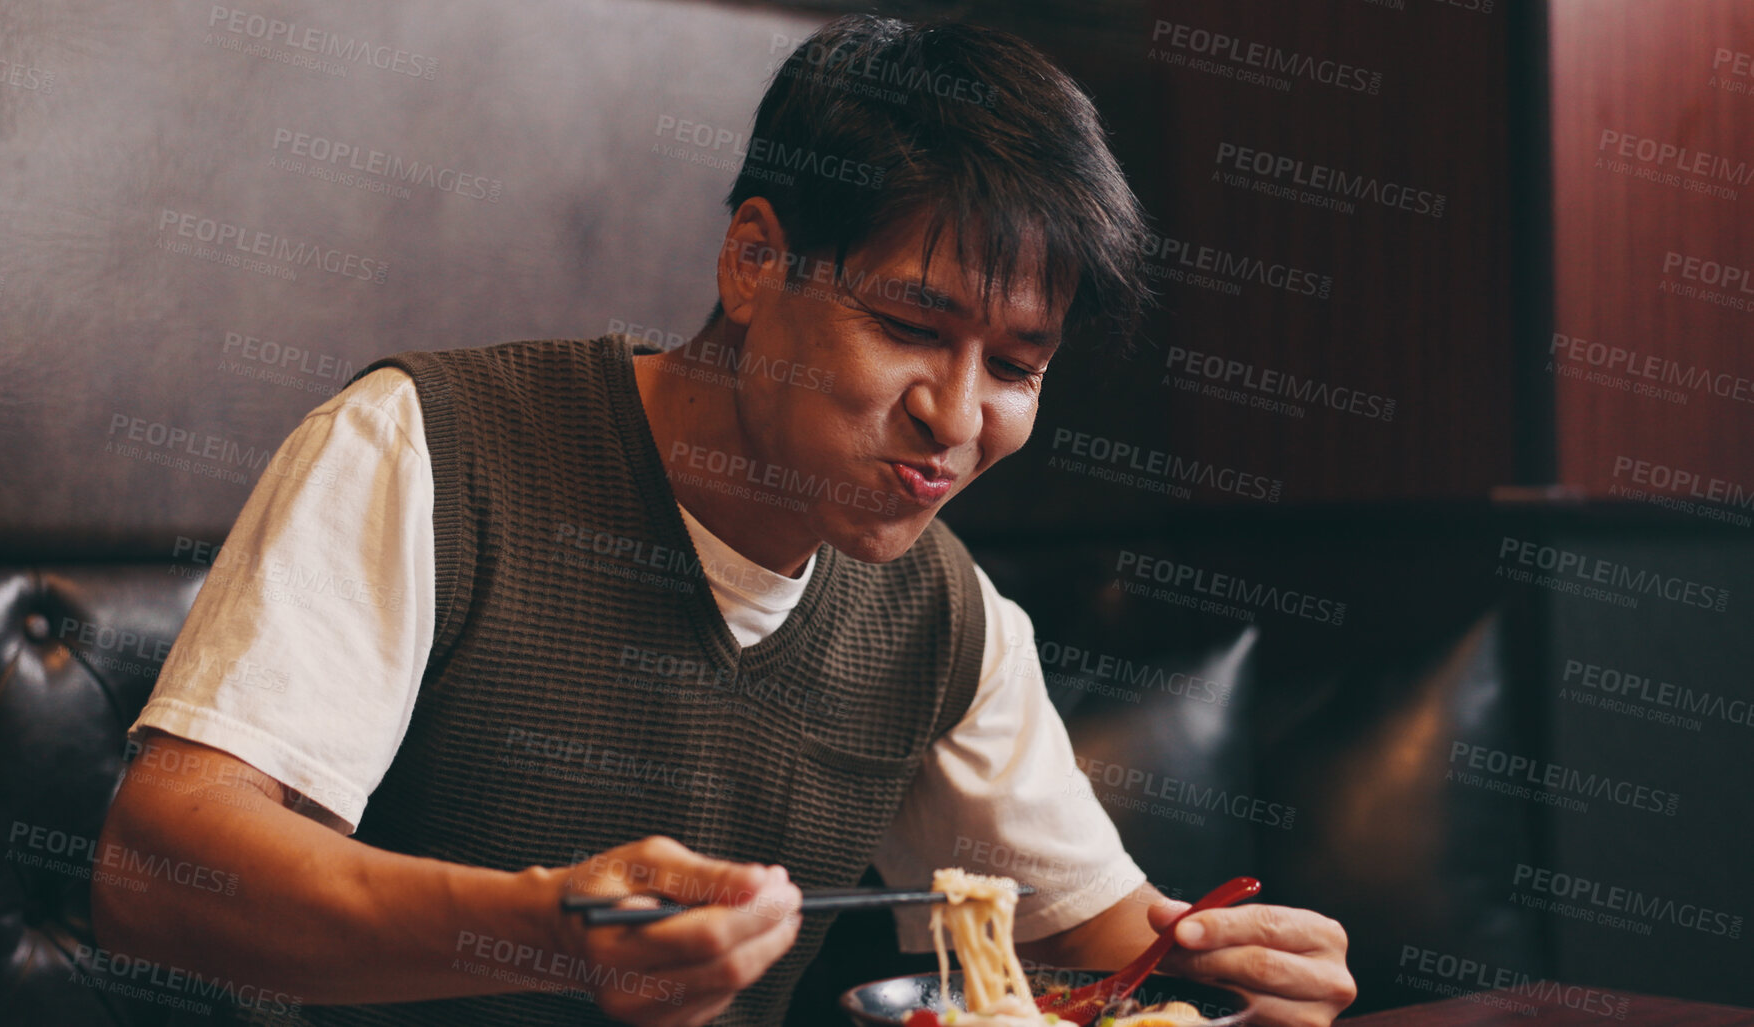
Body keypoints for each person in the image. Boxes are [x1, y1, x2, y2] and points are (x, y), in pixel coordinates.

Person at [94, 14, 1356, 1027]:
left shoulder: (946, 614)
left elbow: (1101, 945)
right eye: (912, 327)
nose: (957, 416)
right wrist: (541, 932)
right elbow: (159, 872)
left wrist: (1243, 978)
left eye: (1018, 366)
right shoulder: (429, 444)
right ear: (754, 260)